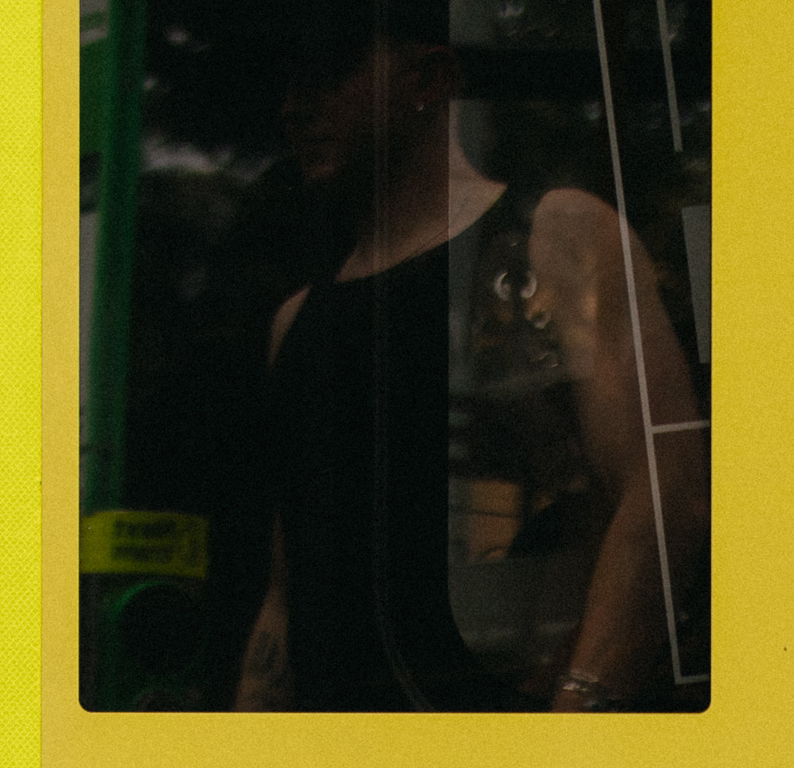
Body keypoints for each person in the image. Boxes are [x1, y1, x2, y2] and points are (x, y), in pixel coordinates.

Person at [237, 36, 706, 712]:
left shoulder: (551, 236)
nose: (295, 108)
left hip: (506, 752)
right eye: (288, 84)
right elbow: (287, 592)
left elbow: (669, 493)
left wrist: (574, 723)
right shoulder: (298, 322)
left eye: (329, 73)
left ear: (430, 77)